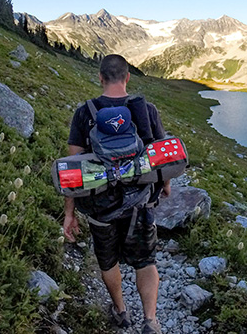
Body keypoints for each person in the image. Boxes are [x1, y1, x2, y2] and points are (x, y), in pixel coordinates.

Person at [63, 54, 170, 334]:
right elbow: (161, 159)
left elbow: (73, 171)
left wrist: (69, 214)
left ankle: (121, 312)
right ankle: (151, 321)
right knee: (145, 261)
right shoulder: (145, 110)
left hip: (100, 208)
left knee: (108, 261)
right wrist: (165, 187)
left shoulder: (85, 113)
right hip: (141, 204)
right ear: (127, 77)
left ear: (100, 77)